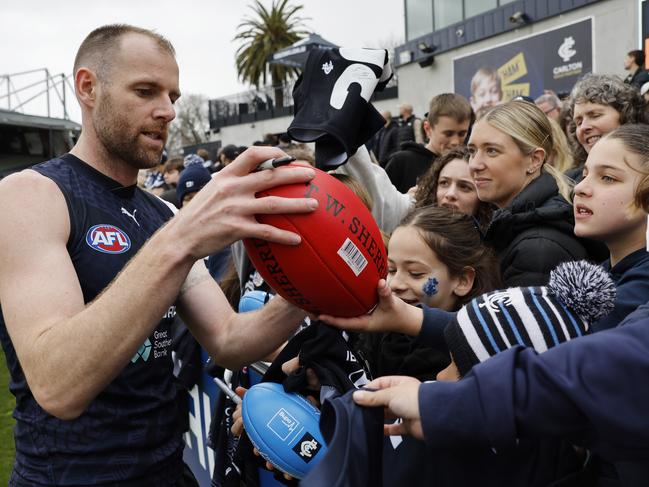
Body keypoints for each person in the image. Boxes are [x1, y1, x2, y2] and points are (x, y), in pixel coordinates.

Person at [0, 24, 318, 487]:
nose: (167, 111)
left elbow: (229, 340)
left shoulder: (162, 213)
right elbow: (58, 385)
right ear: (88, 88)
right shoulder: (31, 196)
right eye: (146, 91)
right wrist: (183, 237)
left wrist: (314, 286)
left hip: (168, 470)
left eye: (172, 95)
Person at [468, 100, 587, 286]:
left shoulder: (538, 250)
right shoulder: (517, 225)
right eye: (472, 151)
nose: (475, 164)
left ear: (534, 160)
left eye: (491, 151)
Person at [573, 124, 649, 331]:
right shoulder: (602, 273)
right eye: (584, 174)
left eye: (607, 178)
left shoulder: (643, 286)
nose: (579, 188)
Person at [385, 93, 472, 193]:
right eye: (448, 134)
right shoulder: (401, 162)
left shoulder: (469, 164)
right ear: (428, 129)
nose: (455, 142)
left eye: (462, 134)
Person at [565, 73, 647, 174]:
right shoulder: (567, 183)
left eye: (595, 116)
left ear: (626, 115)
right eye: (579, 122)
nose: (583, 127)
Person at [414, 145, 493, 230]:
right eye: (444, 183)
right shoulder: (415, 232)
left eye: (464, 187)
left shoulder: (495, 241)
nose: (450, 194)